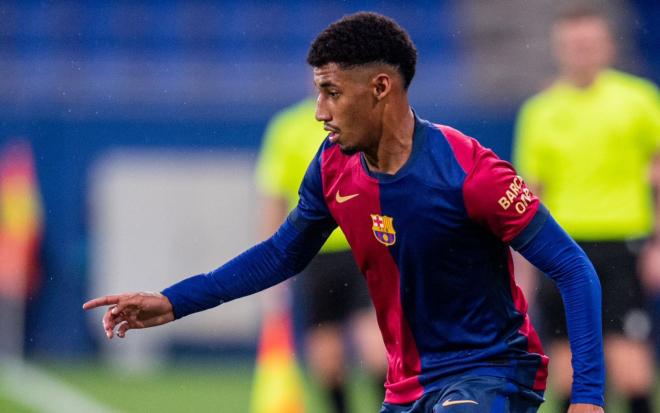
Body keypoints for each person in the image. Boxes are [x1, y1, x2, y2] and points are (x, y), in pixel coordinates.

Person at [84, 12, 605, 413]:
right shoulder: (333, 167)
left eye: (331, 92)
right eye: (318, 92)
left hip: (492, 374)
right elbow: (282, 254)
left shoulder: (471, 172)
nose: (319, 111)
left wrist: (586, 396)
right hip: (407, 387)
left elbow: (573, 268)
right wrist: (172, 302)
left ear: (380, 88)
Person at [513, 6, 660, 413]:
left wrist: (656, 244)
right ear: (560, 49)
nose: (581, 51)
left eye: (589, 43)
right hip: (561, 249)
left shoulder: (639, 100)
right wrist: (524, 269)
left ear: (607, 47)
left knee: (630, 367)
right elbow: (530, 197)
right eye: (573, 44)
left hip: (622, 243)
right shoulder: (540, 112)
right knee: (566, 372)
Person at [255, 97, 386, 412]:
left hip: (364, 247)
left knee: (375, 347)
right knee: (326, 356)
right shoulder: (288, 127)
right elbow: (273, 197)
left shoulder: (363, 119)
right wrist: (272, 267)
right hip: (315, 256)